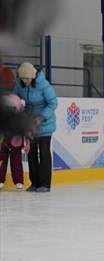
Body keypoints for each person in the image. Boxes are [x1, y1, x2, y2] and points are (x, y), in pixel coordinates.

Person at [12, 62, 57, 193]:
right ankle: (34, 183)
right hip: (29, 123)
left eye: (27, 78)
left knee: (43, 152)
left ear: (32, 76)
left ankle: (45, 184)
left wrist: (41, 117)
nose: (24, 81)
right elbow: (15, 98)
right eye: (22, 78)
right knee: (30, 153)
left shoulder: (44, 85)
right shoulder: (19, 84)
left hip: (45, 123)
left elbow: (53, 103)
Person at [0, 93, 28, 190]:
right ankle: (0, 180)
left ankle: (18, 181)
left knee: (16, 162)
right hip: (3, 142)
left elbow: (26, 129)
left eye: (12, 108)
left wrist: (27, 142)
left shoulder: (21, 116)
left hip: (16, 142)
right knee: (1, 161)